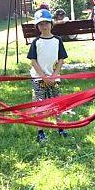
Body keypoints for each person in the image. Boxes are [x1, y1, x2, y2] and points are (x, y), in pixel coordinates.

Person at [27, 9, 68, 143]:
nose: (44, 26)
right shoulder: (36, 42)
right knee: (39, 105)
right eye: (40, 24)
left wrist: (55, 74)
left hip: (54, 78)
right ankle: (40, 131)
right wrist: (43, 76)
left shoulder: (57, 40)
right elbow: (33, 61)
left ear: (51, 23)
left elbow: (61, 58)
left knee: (57, 103)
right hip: (39, 79)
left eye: (46, 23)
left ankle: (60, 127)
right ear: (37, 27)